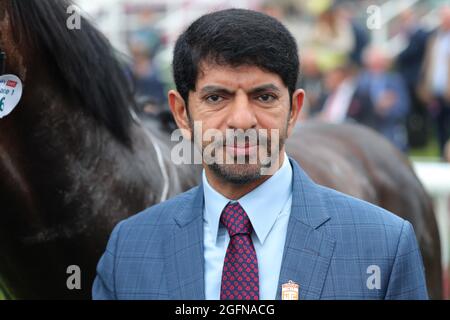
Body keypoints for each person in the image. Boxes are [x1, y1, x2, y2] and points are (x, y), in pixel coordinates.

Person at [92, 9, 428, 300]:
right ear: (181, 113)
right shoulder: (128, 249)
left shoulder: (384, 245)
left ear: (294, 110)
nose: (242, 120)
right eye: (216, 98)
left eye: (264, 97)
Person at [350, 46, 410, 152]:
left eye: (380, 63)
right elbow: (353, 108)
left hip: (389, 130)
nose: (377, 66)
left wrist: (386, 110)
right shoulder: (359, 82)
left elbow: (404, 107)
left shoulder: (395, 81)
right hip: (365, 128)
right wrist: (376, 107)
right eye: (374, 63)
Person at [418, 5, 450, 157]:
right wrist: (425, 83)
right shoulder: (434, 37)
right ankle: (442, 155)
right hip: (437, 88)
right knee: (439, 124)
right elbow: (428, 62)